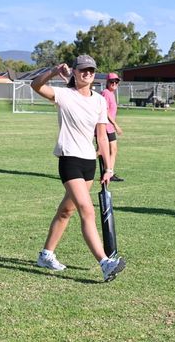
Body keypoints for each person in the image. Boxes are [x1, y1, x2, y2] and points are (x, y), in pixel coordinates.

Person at [31, 55, 125, 282]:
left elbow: (101, 135)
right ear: (74, 71)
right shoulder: (64, 95)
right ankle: (105, 263)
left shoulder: (99, 101)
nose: (88, 74)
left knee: (67, 211)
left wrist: (109, 167)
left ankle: (46, 254)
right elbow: (36, 85)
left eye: (91, 70)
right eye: (83, 70)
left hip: (88, 162)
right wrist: (53, 72)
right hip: (69, 159)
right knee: (87, 210)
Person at [101, 73, 124, 182]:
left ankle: (110, 172)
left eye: (116, 82)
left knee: (113, 150)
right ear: (107, 82)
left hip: (109, 127)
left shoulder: (111, 93)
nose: (114, 84)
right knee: (101, 151)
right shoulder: (105, 93)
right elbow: (104, 111)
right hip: (105, 126)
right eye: (112, 81)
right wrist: (116, 125)